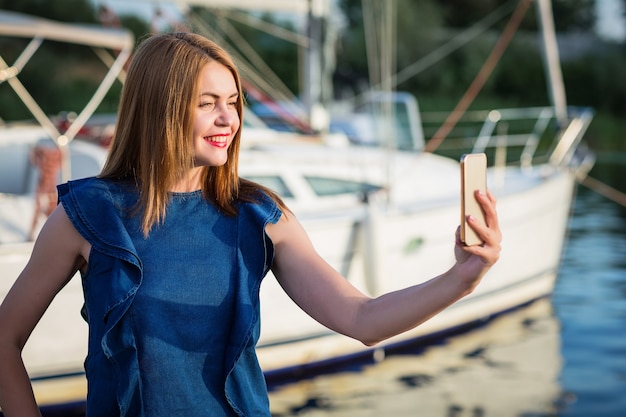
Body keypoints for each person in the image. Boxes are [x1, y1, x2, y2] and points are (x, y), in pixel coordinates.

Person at [0, 32, 501, 417]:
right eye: (207, 103)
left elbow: (362, 319)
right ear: (161, 108)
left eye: (233, 102)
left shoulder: (260, 215)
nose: (228, 119)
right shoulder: (88, 215)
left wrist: (462, 277)